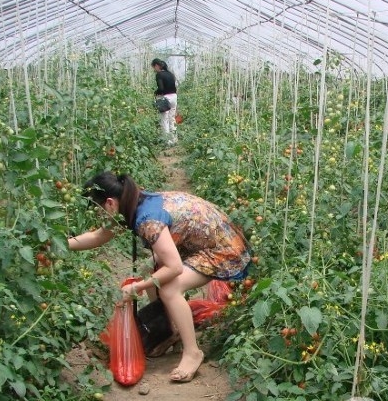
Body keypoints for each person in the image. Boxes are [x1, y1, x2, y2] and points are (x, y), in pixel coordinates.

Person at [68, 172, 252, 382]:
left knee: (169, 288)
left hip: (223, 248)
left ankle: (192, 353)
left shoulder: (148, 219)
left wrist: (136, 287)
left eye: (97, 211)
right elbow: (98, 236)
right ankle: (169, 331)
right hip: (202, 241)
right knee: (151, 270)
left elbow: (174, 268)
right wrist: (61, 244)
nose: (98, 218)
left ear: (109, 203)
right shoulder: (131, 202)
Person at [151, 58, 178, 145]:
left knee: (164, 119)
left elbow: (161, 88)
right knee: (172, 118)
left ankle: (167, 141)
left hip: (166, 98)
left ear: (156, 66)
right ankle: (174, 139)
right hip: (174, 97)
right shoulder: (170, 74)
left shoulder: (159, 74)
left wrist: (156, 93)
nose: (154, 70)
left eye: (153, 67)